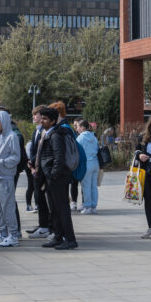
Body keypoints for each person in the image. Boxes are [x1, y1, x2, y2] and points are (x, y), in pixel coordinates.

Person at [37, 106, 78, 250]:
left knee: (62, 209)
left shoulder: (55, 135)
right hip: (51, 177)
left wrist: (53, 174)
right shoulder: (48, 133)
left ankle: (70, 239)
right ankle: (58, 236)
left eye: (45, 119)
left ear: (53, 121)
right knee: (54, 209)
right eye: (41, 118)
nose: (42, 121)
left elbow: (59, 157)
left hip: (57, 178)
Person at [0, 110, 21, 246]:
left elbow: (16, 157)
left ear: (5, 121)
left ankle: (13, 235)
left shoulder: (12, 137)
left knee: (8, 207)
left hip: (6, 176)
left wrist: (1, 163)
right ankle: (3, 234)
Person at [26, 105, 53, 239]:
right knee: (38, 197)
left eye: (36, 115)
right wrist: (30, 164)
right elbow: (33, 150)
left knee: (42, 198)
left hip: (42, 170)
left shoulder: (45, 131)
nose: (34, 118)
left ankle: (46, 226)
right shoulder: (36, 131)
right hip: (35, 168)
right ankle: (42, 224)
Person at [74, 118, 100, 214]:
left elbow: (76, 151)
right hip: (95, 162)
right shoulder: (94, 137)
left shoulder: (80, 138)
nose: (77, 129)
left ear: (82, 127)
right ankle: (94, 206)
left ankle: (87, 207)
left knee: (86, 186)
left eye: (77, 127)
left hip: (86, 163)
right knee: (93, 186)